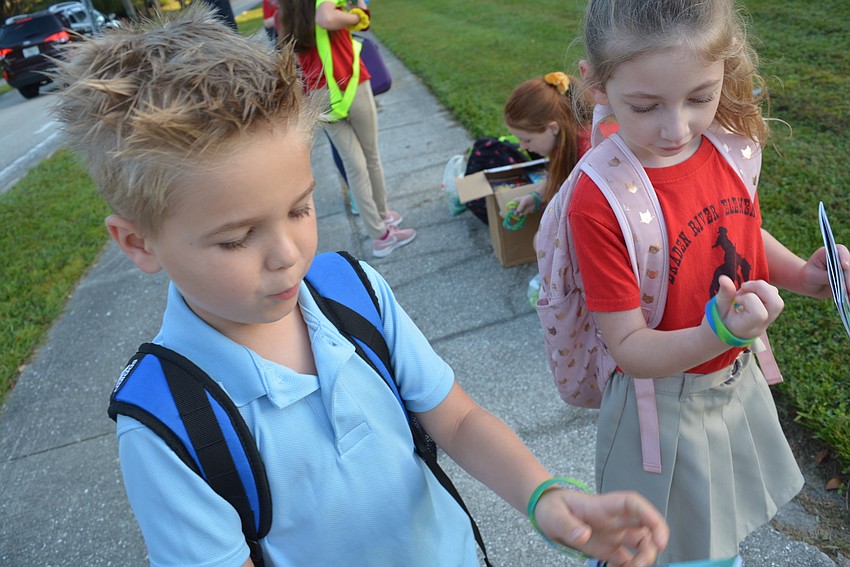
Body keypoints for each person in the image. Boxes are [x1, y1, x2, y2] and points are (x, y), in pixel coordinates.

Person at [52, 7, 669, 566]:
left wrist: (543, 496)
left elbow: (454, 420)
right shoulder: (169, 423)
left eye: (300, 209)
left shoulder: (352, 290)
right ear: (137, 242)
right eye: (236, 238)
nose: (288, 256)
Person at [565, 0, 850, 562]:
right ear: (596, 84)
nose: (677, 128)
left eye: (700, 97)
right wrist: (717, 332)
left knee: (720, 528)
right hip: (664, 408)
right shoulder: (599, 200)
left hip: (731, 382)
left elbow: (737, 226)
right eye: (644, 106)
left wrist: (803, 274)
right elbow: (628, 348)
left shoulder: (726, 146)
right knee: (678, 550)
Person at [278, 0, 415, 258]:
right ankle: (383, 215)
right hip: (351, 85)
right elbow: (327, 18)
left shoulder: (287, 10)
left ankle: (379, 235)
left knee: (354, 167)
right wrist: (355, 15)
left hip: (320, 95)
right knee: (371, 156)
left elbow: (293, 54)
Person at [503, 71, 594, 216]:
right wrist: (536, 197)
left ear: (553, 128)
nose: (522, 146)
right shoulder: (563, 139)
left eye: (527, 140)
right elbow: (558, 174)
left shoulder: (589, 155)